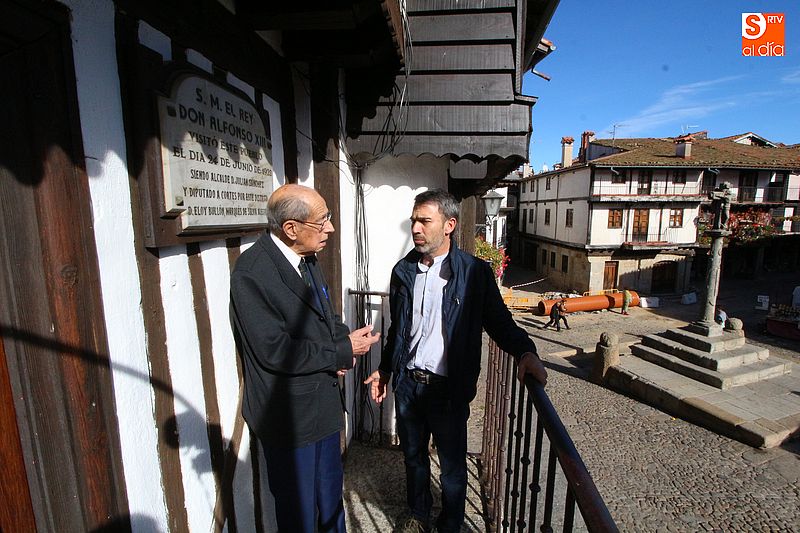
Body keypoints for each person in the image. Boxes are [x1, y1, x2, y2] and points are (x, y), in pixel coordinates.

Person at [363, 189, 548, 533]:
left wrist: (526, 352)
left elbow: (499, 321)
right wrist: (386, 371)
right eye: (413, 220)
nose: (415, 228)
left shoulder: (474, 272)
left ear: (449, 225)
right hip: (409, 386)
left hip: (448, 390)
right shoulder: (403, 271)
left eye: (424, 221)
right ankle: (418, 515)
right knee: (413, 457)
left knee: (451, 468)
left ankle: (450, 523)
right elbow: (398, 331)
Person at [230, 184, 380, 533]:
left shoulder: (308, 259)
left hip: (324, 409)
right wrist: (342, 351)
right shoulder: (252, 273)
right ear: (291, 228)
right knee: (298, 516)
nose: (330, 228)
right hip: (291, 421)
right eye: (322, 221)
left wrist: (344, 338)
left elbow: (325, 315)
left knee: (331, 505)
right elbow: (275, 351)